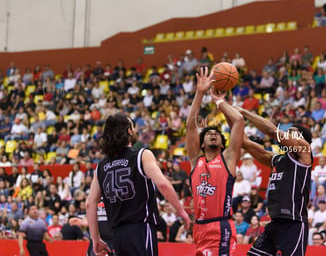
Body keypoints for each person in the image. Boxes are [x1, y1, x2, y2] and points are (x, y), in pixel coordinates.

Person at [86, 113, 190, 256]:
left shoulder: (101, 166)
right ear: (129, 131)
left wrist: (95, 239)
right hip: (140, 229)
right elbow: (163, 184)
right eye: (133, 127)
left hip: (117, 235)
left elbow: (90, 203)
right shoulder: (142, 155)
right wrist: (181, 210)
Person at [236, 106, 313, 256]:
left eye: (292, 133)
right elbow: (244, 142)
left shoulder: (304, 152)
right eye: (287, 132)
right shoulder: (277, 159)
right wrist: (230, 112)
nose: (287, 134)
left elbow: (273, 132)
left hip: (294, 223)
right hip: (275, 223)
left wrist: (244, 112)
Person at [185, 67, 245, 255]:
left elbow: (239, 121)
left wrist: (220, 102)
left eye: (216, 134)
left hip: (220, 226)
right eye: (209, 133)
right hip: (199, 228)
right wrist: (200, 93)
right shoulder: (196, 161)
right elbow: (190, 127)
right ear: (201, 144)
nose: (213, 134)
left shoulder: (228, 159)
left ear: (221, 143)